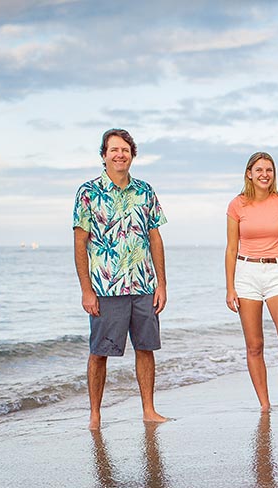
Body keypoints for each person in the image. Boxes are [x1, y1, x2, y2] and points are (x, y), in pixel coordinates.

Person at [73, 128, 168, 430]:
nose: (120, 154)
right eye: (114, 150)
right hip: (106, 287)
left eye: (125, 150)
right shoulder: (88, 192)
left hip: (143, 284)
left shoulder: (145, 191)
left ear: (132, 155)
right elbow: (80, 243)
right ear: (104, 155)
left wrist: (162, 284)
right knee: (100, 352)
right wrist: (87, 290)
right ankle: (95, 415)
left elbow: (155, 238)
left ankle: (149, 410)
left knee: (146, 348)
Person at [224, 152, 278, 416]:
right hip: (246, 274)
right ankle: (265, 404)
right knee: (254, 345)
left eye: (269, 170)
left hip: (277, 272)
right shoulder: (237, 205)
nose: (264, 174)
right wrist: (230, 287)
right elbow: (231, 247)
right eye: (259, 170)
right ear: (249, 173)